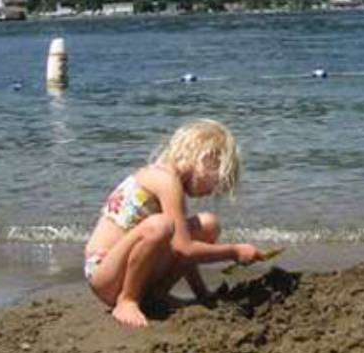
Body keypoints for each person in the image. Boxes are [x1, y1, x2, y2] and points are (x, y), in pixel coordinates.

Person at [84, 119, 260, 328]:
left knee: (207, 225)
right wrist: (234, 251)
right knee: (160, 225)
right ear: (204, 159)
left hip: (131, 271)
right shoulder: (165, 180)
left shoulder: (170, 181)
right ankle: (127, 300)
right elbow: (184, 249)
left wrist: (201, 294)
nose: (211, 192)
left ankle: (156, 295)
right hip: (105, 271)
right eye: (215, 183)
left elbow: (182, 248)